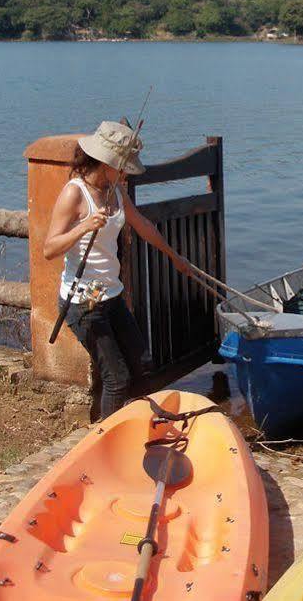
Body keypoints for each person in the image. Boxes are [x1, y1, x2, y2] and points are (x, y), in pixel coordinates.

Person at [43, 120, 193, 419]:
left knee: (142, 364)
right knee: (116, 378)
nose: (126, 174)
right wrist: (84, 225)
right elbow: (49, 249)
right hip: (83, 303)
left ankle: (136, 429)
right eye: (122, 167)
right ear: (106, 162)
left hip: (110, 295)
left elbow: (144, 226)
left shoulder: (116, 192)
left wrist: (174, 257)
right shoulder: (75, 193)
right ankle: (108, 443)